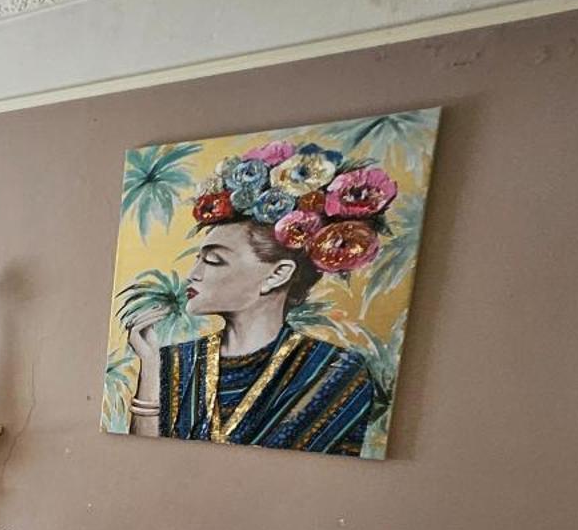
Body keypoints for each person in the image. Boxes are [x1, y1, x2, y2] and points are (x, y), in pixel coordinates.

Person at [123, 141, 393, 455]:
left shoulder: (333, 370)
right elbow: (142, 458)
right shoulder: (173, 361)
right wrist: (150, 366)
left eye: (214, 260)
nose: (193, 274)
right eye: (198, 259)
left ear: (277, 274)